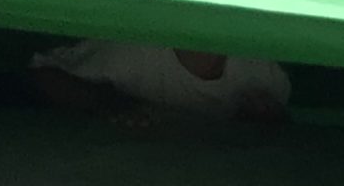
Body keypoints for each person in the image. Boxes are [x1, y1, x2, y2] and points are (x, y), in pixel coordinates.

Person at [26, 42, 291, 131]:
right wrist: (109, 103)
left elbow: (280, 124)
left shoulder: (260, 71)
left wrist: (260, 122)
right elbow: (43, 73)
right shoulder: (130, 54)